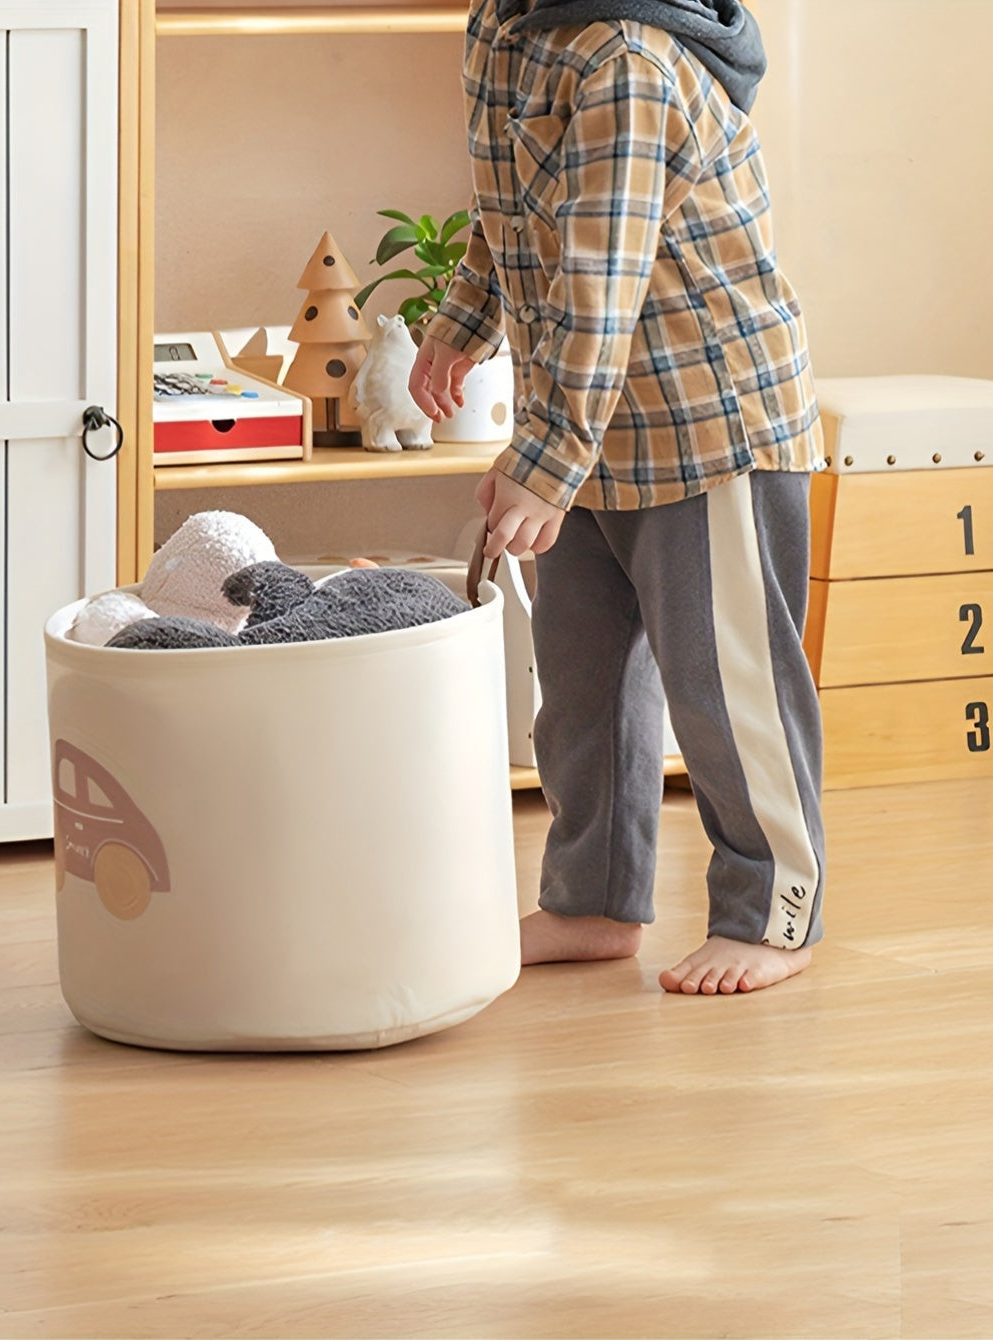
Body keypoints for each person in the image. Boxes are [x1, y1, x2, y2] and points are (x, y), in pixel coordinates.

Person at [409, 0, 826, 995]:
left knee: (726, 690)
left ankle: (771, 909)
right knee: (581, 684)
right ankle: (591, 897)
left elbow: (603, 278)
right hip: (592, 414)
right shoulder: (505, 30)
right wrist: (465, 317)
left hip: (704, 420)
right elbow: (512, 208)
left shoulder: (627, 62)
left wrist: (541, 462)